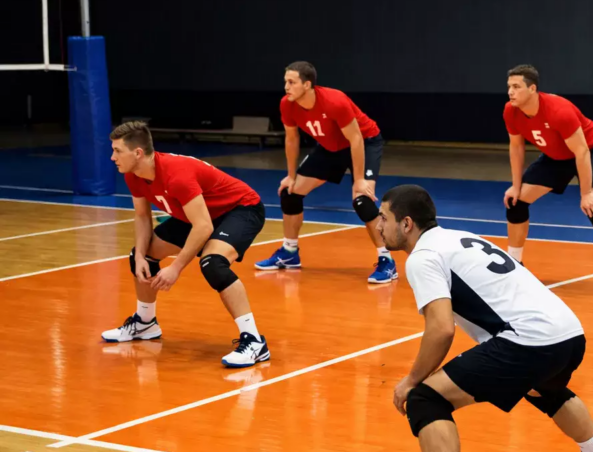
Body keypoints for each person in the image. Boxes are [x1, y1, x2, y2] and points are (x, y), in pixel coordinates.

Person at [377, 184, 593, 452]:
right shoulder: (457, 237)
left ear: (406, 223)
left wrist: (411, 380)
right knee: (547, 389)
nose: (377, 225)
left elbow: (441, 328)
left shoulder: (422, 256)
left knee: (426, 399)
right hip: (569, 334)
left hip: (529, 340)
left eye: (383, 218)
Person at [101, 121, 270, 367]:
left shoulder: (176, 174)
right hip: (196, 215)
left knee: (213, 264)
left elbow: (203, 227)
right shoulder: (133, 175)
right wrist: (139, 255)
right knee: (143, 256)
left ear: (138, 153)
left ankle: (254, 341)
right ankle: (145, 323)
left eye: (117, 150)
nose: (112, 156)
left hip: (240, 209)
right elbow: (141, 216)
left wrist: (176, 268)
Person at [256, 61, 397, 283]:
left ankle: (386, 260)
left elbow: (356, 139)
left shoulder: (334, 101)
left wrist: (359, 180)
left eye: (291, 82)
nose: (286, 87)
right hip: (331, 148)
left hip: (364, 142)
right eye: (285, 82)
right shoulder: (287, 104)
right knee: (290, 193)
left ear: (307, 84)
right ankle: (290, 252)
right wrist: (291, 175)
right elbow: (291, 139)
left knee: (362, 201)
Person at [503, 64, 593, 299]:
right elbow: (516, 146)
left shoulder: (558, 110)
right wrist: (516, 185)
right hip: (558, 156)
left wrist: (585, 194)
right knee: (515, 201)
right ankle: (515, 266)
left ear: (533, 89)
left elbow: (581, 152)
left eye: (516, 87)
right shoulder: (511, 111)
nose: (511, 92)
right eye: (509, 86)